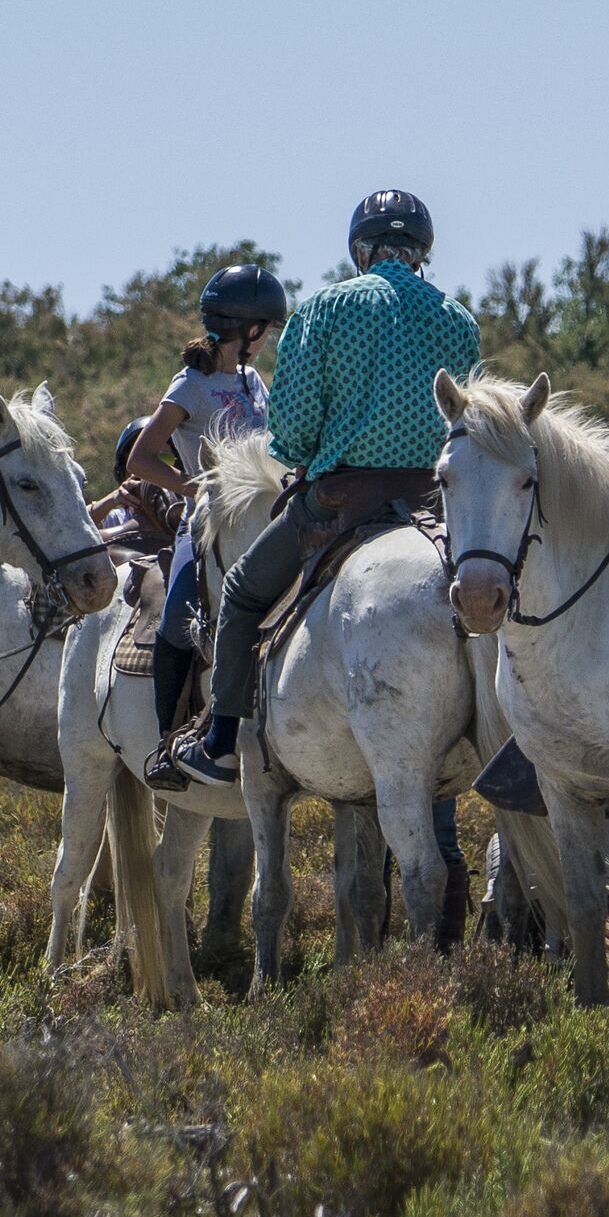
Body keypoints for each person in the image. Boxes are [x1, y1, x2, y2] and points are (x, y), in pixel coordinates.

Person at [162, 193, 479, 790]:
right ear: (422, 253)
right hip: (436, 505)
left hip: (340, 504)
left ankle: (222, 743)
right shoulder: (459, 320)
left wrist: (312, 454)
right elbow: (467, 419)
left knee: (242, 593)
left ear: (361, 250)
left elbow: (291, 429)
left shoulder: (327, 307)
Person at [120, 260, 283, 737]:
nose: (269, 337)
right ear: (250, 329)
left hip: (263, 522)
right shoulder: (190, 386)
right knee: (175, 622)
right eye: (267, 329)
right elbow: (141, 458)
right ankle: (167, 737)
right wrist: (193, 488)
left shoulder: (255, 384)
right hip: (206, 524)